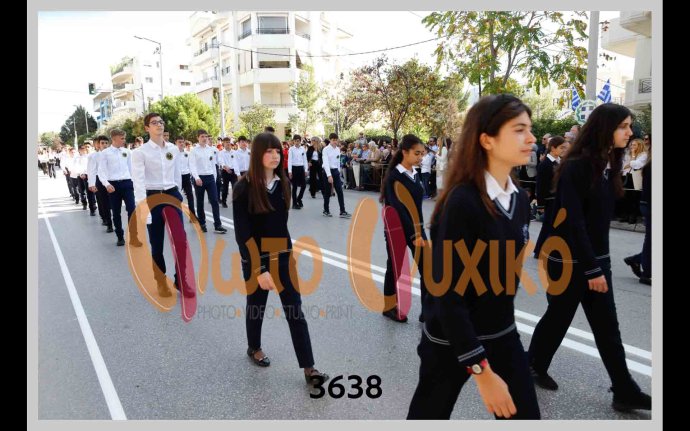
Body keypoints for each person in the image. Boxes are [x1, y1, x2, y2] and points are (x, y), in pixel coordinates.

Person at [407, 94, 540, 420]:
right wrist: (482, 371)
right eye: (519, 130)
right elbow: (447, 295)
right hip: (450, 339)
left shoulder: (520, 201)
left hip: (501, 333)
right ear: (487, 140)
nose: (531, 139)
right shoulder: (462, 202)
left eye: (530, 129)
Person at [527, 103, 651, 412]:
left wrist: (599, 265)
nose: (630, 132)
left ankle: (624, 389)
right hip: (570, 260)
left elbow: (597, 224)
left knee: (607, 326)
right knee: (559, 317)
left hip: (596, 259)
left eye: (630, 125)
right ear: (605, 129)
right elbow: (574, 221)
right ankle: (533, 365)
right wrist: (593, 269)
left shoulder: (608, 164)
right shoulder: (577, 166)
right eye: (624, 126)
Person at [232, 132, 329, 386]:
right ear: (257, 154)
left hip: (282, 255)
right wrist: (259, 269)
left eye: (277, 151)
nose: (275, 156)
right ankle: (254, 347)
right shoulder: (243, 188)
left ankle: (309, 368)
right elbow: (243, 235)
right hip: (256, 258)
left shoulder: (283, 183)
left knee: (295, 311)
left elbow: (280, 225)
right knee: (256, 307)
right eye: (269, 151)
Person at [131, 113, 186, 298]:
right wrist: (143, 208)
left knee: (180, 241)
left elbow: (177, 174)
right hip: (152, 197)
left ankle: (181, 279)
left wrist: (178, 195)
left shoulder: (173, 149)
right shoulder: (140, 153)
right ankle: (161, 281)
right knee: (157, 243)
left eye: (161, 122)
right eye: (154, 123)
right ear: (147, 128)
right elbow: (138, 182)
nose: (159, 125)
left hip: (171, 195)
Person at [379, 134, 428, 323]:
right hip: (397, 231)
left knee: (428, 267)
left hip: (417, 228)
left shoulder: (415, 174)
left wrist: (420, 230)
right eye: (417, 153)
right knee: (395, 268)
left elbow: (416, 207)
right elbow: (399, 210)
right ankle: (389, 307)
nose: (420, 157)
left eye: (422, 154)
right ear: (405, 152)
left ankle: (428, 311)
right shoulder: (394, 177)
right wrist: (414, 234)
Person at [98, 129, 142, 247]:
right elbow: (101, 171)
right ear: (114, 139)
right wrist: (106, 184)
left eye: (124, 138)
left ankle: (134, 237)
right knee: (116, 212)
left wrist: (134, 183)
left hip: (127, 184)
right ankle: (120, 237)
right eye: (122, 138)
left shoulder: (127, 152)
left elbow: (131, 169)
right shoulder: (105, 153)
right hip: (113, 185)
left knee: (132, 210)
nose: (124, 140)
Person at [533, 136, 568, 258]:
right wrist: (541, 205)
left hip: (559, 199)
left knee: (555, 226)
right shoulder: (545, 164)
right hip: (550, 200)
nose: (564, 150)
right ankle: (539, 251)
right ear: (553, 148)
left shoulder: (560, 162)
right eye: (562, 147)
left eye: (565, 148)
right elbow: (541, 186)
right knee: (548, 226)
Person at [624, 134, 652, 285]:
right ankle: (646, 272)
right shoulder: (649, 160)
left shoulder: (647, 158)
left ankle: (637, 260)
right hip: (649, 203)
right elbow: (630, 165)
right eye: (645, 139)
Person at [189, 129, 227, 234]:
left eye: (206, 136)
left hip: (210, 178)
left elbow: (213, 165)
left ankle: (218, 225)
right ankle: (202, 223)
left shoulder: (211, 150)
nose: (204, 138)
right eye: (202, 136)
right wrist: (196, 177)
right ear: (197, 138)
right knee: (200, 202)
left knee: (214, 200)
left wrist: (214, 178)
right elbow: (192, 166)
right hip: (199, 178)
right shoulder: (194, 151)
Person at [321, 133, 351, 218]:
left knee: (340, 191)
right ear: (330, 140)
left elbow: (338, 161)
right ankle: (326, 210)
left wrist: (338, 171)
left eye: (336, 140)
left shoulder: (338, 149)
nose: (335, 141)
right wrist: (329, 175)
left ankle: (342, 211)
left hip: (335, 172)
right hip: (327, 171)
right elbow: (326, 163)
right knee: (327, 192)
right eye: (333, 140)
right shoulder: (326, 149)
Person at [287, 134, 307, 209]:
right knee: (294, 187)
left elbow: (305, 160)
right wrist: (290, 171)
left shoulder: (303, 149)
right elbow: (289, 160)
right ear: (293, 141)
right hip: (294, 168)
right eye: (295, 141)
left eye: (298, 141)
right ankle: (294, 204)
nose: (297, 142)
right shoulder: (291, 149)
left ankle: (299, 199)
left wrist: (306, 169)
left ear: (300, 141)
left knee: (304, 186)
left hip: (301, 168)